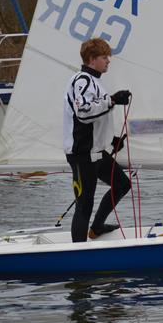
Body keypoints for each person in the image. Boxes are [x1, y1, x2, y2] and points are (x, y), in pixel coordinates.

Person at [63, 37, 132, 242]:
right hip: (81, 154)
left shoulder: (96, 82)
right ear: (92, 59)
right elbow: (83, 112)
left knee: (122, 185)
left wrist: (112, 141)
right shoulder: (82, 80)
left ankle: (97, 227)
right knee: (84, 203)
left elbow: (96, 122)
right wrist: (112, 100)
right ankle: (77, 253)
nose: (108, 61)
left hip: (96, 152)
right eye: (104, 57)